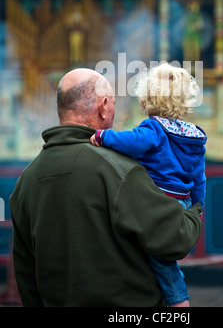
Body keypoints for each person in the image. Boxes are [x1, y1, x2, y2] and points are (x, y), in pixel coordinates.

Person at [9, 67, 203, 307]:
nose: (114, 109)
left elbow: (26, 275)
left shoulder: (25, 182)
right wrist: (194, 212)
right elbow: (177, 238)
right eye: (112, 102)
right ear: (102, 107)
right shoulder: (120, 169)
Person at [90, 62, 207, 306]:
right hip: (182, 202)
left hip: (158, 203)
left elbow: (131, 142)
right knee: (163, 258)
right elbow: (199, 178)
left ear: (146, 101)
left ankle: (179, 303)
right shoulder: (193, 136)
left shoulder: (154, 129)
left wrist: (103, 136)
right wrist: (197, 207)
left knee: (161, 261)